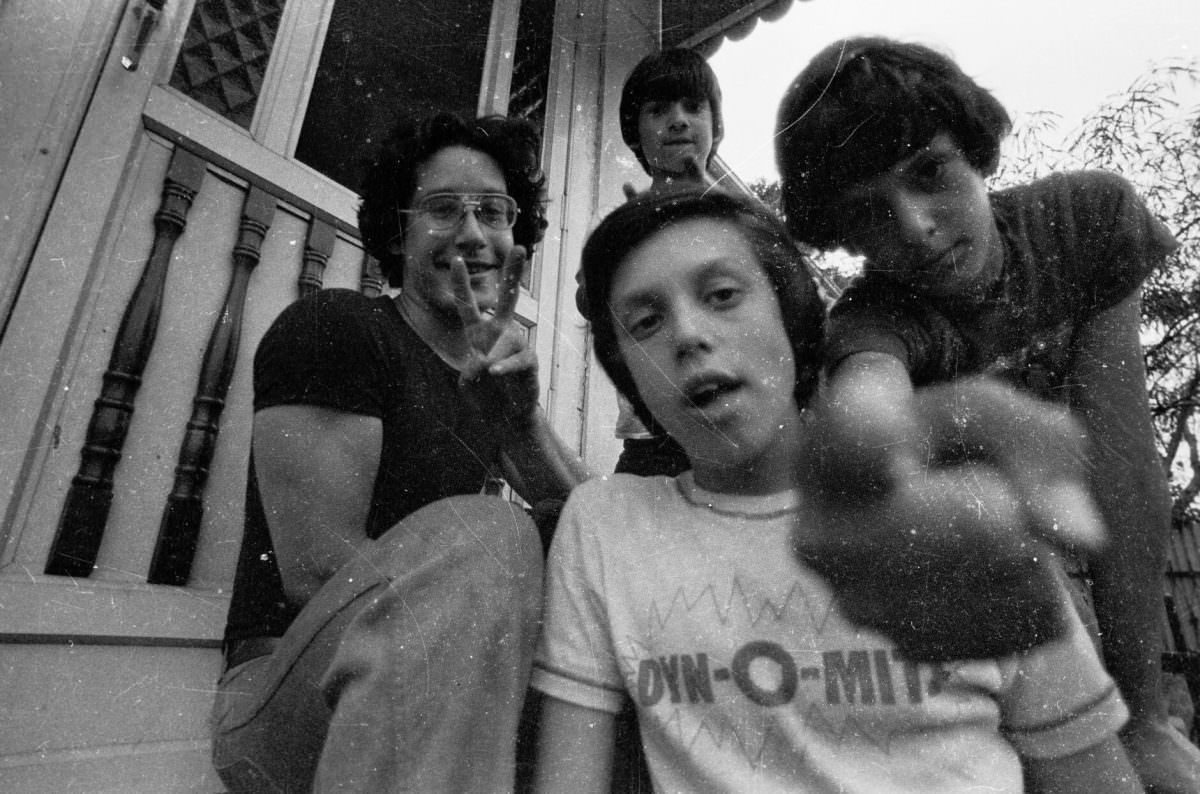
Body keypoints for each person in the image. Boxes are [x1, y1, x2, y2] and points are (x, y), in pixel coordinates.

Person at [533, 187, 1142, 793]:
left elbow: (1095, 778)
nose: (687, 335)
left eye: (721, 296)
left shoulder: (966, 513)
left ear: (791, 317)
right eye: (645, 322)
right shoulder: (608, 526)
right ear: (628, 372)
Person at [775, 36, 1199, 791]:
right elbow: (871, 390)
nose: (916, 226)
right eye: (870, 213)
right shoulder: (875, 319)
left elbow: (1124, 466)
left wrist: (1145, 717)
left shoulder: (1085, 222)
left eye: (929, 174)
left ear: (973, 151)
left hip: (1100, 569)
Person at [210, 112, 589, 793]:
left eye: (494, 213)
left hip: (428, 687)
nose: (473, 234)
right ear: (397, 232)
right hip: (279, 692)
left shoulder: (485, 383)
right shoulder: (339, 328)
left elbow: (593, 524)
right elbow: (315, 567)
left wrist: (519, 421)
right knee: (495, 531)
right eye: (443, 210)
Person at [607, 46, 726, 478]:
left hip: (733, 433)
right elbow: (594, 305)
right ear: (634, 133)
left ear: (717, 125)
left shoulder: (743, 223)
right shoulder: (623, 226)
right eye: (658, 110)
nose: (678, 119)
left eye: (693, 107)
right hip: (652, 445)